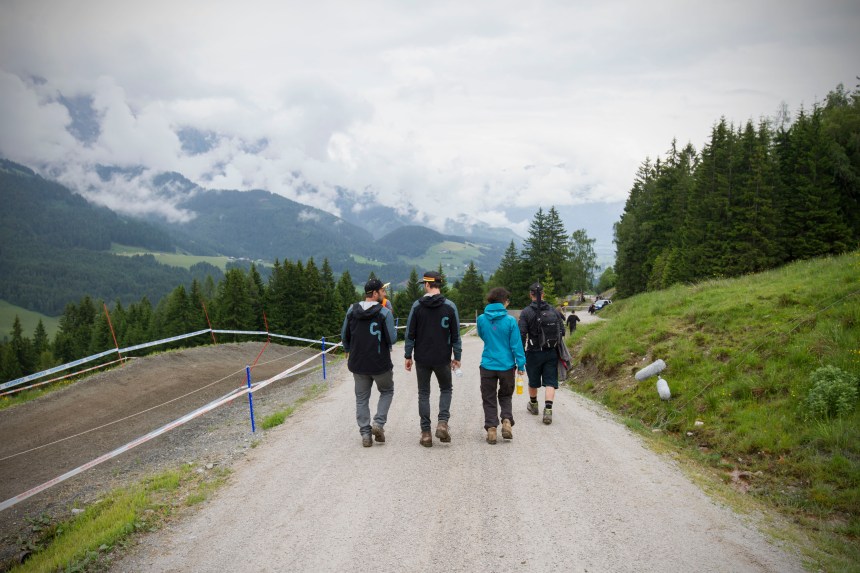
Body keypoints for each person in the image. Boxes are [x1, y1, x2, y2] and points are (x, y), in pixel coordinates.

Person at [404, 270, 462, 447]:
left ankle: (426, 433)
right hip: (442, 357)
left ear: (428, 285)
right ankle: (442, 423)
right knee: (446, 389)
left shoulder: (417, 306)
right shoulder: (450, 306)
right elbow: (456, 335)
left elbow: (410, 334)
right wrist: (457, 356)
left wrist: (408, 355)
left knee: (424, 393)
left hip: (422, 358)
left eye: (424, 285)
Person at [341, 278, 397, 447]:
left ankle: (365, 434)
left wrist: (347, 349)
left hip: (358, 364)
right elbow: (393, 339)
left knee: (361, 398)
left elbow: (344, 335)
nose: (385, 294)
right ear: (374, 293)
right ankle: (378, 423)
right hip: (380, 363)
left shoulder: (352, 310)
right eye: (382, 291)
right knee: (387, 391)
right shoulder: (384, 312)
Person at [476, 287, 525, 444]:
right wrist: (521, 365)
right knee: (505, 395)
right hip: (506, 366)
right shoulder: (510, 321)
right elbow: (516, 345)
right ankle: (506, 421)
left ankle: (491, 429)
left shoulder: (482, 319)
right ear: (504, 302)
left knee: (488, 397)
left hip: (487, 365)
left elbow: (483, 336)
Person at [518, 282, 566, 425]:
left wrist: (521, 354)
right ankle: (548, 410)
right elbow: (562, 331)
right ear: (543, 294)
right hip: (551, 351)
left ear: (530, 294)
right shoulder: (553, 310)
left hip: (533, 352)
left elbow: (522, 334)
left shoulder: (526, 312)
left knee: (533, 380)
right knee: (551, 381)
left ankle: (533, 405)